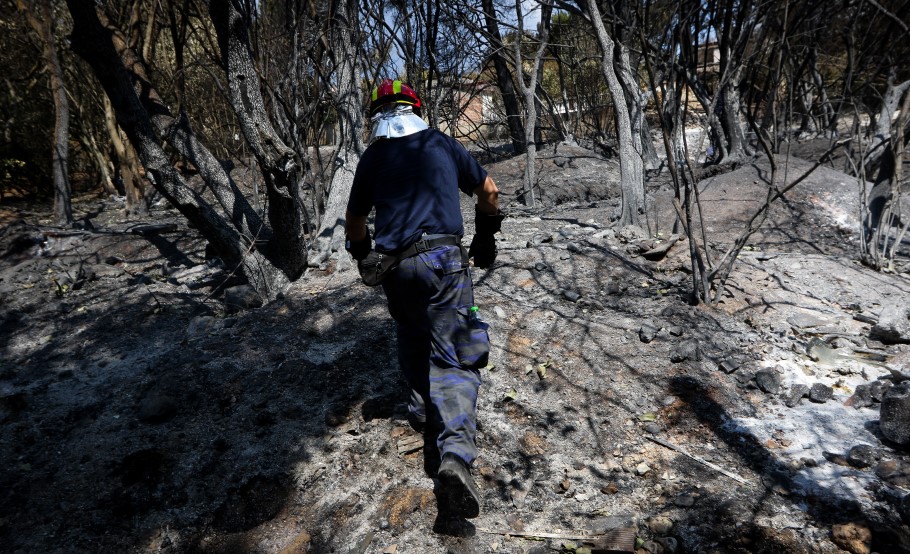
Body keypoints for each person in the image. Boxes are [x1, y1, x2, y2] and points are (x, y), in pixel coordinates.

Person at [345, 79, 503, 519]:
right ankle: (454, 456)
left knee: (412, 333)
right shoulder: (440, 143)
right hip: (443, 261)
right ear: (417, 107)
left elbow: (355, 220)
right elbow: (488, 191)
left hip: (396, 267)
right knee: (456, 357)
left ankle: (422, 415)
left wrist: (361, 253)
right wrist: (487, 236)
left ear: (377, 114)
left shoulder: (373, 156)